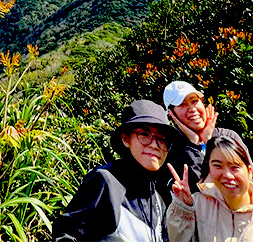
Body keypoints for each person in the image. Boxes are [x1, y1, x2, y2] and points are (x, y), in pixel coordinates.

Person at [53, 100, 181, 242]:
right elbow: (66, 234)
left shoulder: (159, 196)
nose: (155, 145)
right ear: (126, 139)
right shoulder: (105, 181)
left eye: (162, 139)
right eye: (145, 134)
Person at [163, 81, 253, 191]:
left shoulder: (229, 137)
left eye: (194, 101)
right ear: (171, 114)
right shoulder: (171, 150)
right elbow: (199, 191)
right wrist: (195, 145)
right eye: (182, 105)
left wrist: (209, 142)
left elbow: (252, 182)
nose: (192, 109)